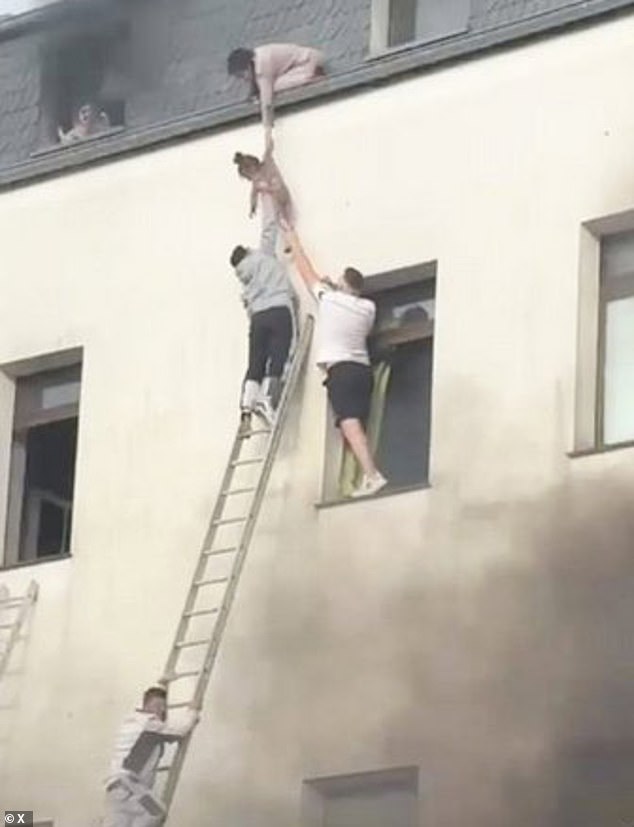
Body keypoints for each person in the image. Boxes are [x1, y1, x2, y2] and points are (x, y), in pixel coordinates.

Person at [284, 227, 387, 498]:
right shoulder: (368, 308)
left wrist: (293, 241)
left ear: (342, 284)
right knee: (356, 423)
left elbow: (306, 271)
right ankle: (367, 475)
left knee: (350, 424)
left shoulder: (328, 300)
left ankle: (371, 475)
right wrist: (335, 288)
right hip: (362, 370)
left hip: (340, 370)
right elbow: (346, 302)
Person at [230, 217, 295, 434]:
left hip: (258, 319)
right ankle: (268, 401)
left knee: (255, 364)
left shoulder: (244, 280)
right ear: (247, 252)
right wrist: (267, 192)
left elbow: (248, 309)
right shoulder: (262, 256)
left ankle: (246, 410)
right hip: (279, 311)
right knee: (279, 358)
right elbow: (269, 227)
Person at [103, 684, 199, 827]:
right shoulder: (149, 724)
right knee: (155, 812)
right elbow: (180, 731)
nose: (161, 710)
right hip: (130, 786)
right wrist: (192, 711)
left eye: (163, 707)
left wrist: (163, 683)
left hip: (115, 788)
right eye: (158, 706)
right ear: (147, 705)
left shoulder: (130, 720)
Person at [227, 44, 325, 148]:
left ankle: (312, 77)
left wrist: (267, 131)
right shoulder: (258, 57)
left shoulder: (262, 67)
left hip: (309, 63)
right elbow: (256, 84)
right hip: (308, 60)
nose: (244, 79)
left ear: (247, 66)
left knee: (275, 87)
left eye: (242, 75)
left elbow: (267, 102)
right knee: (273, 85)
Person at [233, 145, 294, 231]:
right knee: (282, 219)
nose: (250, 178)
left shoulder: (267, 165)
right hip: (278, 202)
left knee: (285, 216)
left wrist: (269, 133)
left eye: (248, 176)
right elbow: (253, 195)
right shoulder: (256, 183)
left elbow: (268, 150)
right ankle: (288, 227)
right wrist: (253, 207)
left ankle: (288, 225)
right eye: (248, 177)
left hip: (283, 194)